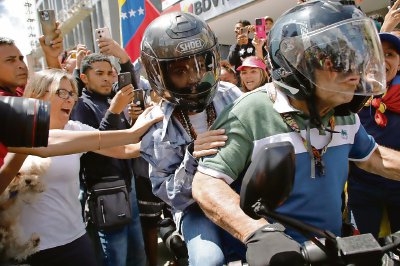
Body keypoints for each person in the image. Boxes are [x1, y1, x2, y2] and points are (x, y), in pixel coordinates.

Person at [191, 1, 396, 265]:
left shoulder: (341, 110)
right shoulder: (251, 111)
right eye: (339, 61)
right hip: (276, 256)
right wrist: (256, 232)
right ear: (298, 64)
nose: (355, 72)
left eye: (357, 59)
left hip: (333, 248)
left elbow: (374, 158)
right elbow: (206, 183)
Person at [3, 69, 161, 266]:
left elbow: (126, 149)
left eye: (72, 94)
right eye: (62, 93)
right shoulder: (15, 133)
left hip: (75, 240)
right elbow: (49, 142)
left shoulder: (75, 129)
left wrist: (170, 140)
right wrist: (131, 132)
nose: (69, 99)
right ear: (37, 95)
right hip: (30, 250)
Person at [140, 11, 245, 265]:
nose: (195, 77)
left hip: (242, 194)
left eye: (201, 64)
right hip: (194, 208)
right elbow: (171, 195)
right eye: (180, 70)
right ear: (159, 74)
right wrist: (192, 158)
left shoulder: (231, 95)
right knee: (208, 260)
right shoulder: (156, 126)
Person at [71, 53, 146, 266]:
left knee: (137, 254)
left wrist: (133, 119)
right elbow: (95, 145)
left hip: (127, 184)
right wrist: (114, 110)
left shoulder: (112, 100)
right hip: (105, 189)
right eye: (99, 74)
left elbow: (123, 140)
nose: (106, 78)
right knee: (116, 257)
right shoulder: (80, 106)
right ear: (84, 78)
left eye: (109, 73)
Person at [348, 32, 400, 238]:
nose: (381, 59)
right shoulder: (349, 95)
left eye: (389, 54)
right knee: (364, 251)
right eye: (375, 53)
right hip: (362, 188)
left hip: (398, 186)